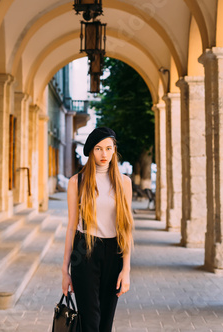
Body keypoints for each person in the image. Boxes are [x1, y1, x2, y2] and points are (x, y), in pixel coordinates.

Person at [62, 127, 133, 332]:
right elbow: (71, 227)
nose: (104, 154)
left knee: (105, 321)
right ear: (91, 151)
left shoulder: (124, 182)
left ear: (114, 150)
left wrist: (126, 270)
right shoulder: (77, 182)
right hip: (84, 250)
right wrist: (65, 270)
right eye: (99, 149)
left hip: (114, 251)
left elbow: (126, 228)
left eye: (108, 148)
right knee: (89, 320)